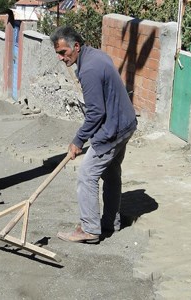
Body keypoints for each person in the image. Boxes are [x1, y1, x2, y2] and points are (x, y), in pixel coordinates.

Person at [50, 25, 137, 244]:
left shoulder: (88, 69)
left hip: (113, 130)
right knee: (111, 173)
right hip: (125, 123)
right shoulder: (96, 55)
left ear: (76, 46)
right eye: (58, 54)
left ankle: (89, 229)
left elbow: (96, 112)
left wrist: (78, 140)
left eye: (63, 52)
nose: (61, 58)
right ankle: (110, 222)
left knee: (86, 175)